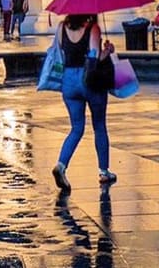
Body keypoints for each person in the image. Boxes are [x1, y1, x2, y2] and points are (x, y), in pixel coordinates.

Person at [52, 13, 116, 192]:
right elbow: (94, 58)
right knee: (99, 126)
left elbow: (59, 53)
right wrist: (108, 51)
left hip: (68, 82)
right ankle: (104, 172)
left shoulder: (61, 28)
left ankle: (61, 165)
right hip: (90, 81)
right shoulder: (92, 28)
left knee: (76, 128)